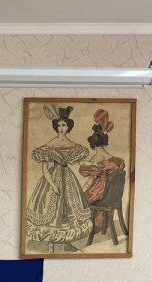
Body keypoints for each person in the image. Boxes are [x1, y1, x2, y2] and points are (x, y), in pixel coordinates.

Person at [26, 104, 93, 253]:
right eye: (59, 125)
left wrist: (92, 165)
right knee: (52, 210)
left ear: (68, 127)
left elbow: (79, 162)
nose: (61, 128)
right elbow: (44, 169)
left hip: (68, 178)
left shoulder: (72, 145)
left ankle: (68, 243)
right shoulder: (50, 145)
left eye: (64, 125)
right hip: (52, 178)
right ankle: (51, 245)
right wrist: (52, 185)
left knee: (70, 210)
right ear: (56, 126)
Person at [79, 109, 126, 236]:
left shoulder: (98, 158)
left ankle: (86, 227)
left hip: (100, 192)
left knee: (79, 198)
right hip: (110, 195)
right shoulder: (115, 160)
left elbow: (89, 177)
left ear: (94, 145)